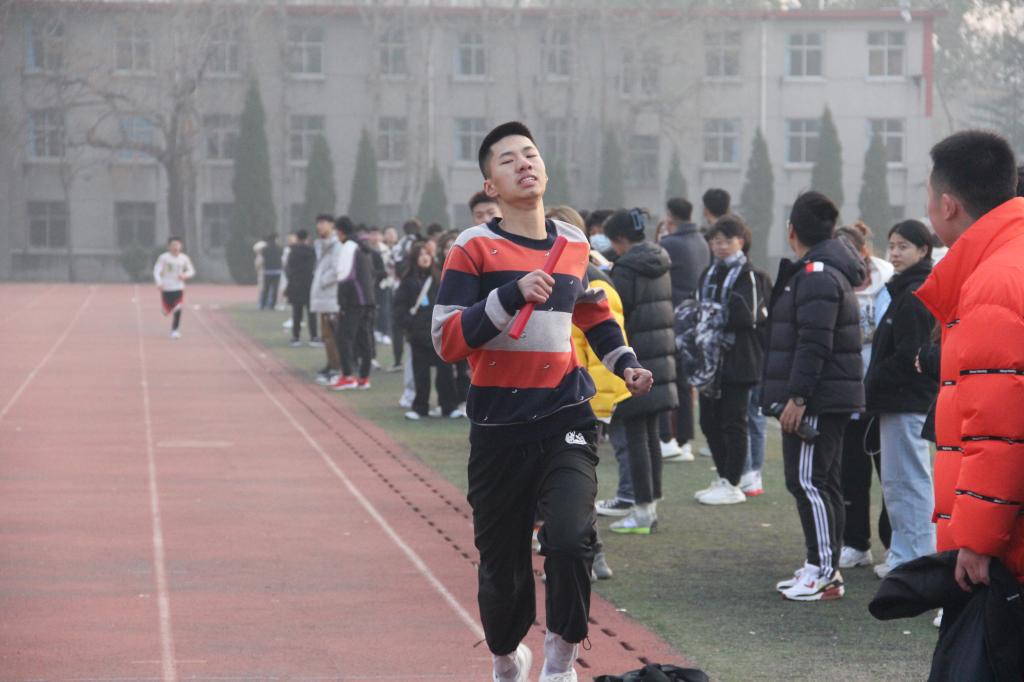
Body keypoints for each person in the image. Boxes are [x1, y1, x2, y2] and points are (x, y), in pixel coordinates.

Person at [432, 122, 651, 682]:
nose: (524, 163)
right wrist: (509, 294)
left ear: (545, 170)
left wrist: (625, 362)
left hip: (564, 416)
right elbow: (446, 339)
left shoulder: (573, 244)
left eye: (530, 154)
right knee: (502, 564)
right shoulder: (471, 247)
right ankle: (508, 656)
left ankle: (559, 663)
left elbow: (592, 312)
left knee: (572, 540)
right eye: (508, 159)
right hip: (498, 427)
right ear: (491, 185)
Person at [914, 130, 1024, 595]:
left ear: (947, 205)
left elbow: (999, 429)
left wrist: (977, 540)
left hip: (1008, 552)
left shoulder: (993, 282)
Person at [762, 191, 866, 602]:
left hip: (818, 398)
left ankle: (824, 572)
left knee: (808, 482)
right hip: (828, 394)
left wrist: (799, 397)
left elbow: (814, 342)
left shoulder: (817, 274)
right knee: (822, 482)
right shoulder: (822, 270)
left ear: (791, 230)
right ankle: (821, 566)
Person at [865, 219, 939, 578]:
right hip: (895, 401)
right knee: (896, 483)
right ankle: (903, 555)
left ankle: (920, 558)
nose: (894, 253)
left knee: (911, 482)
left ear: (923, 250)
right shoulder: (902, 289)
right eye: (891, 245)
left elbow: (911, 355)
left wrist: (872, 380)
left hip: (908, 402)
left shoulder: (915, 293)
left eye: (903, 246)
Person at [603, 208, 679, 534]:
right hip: (660, 359)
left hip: (636, 362)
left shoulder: (626, 269)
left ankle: (642, 510)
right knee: (650, 438)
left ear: (620, 239)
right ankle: (650, 503)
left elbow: (616, 312)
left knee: (636, 438)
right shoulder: (658, 261)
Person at [692, 215, 767, 506]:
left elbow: (746, 316)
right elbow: (697, 308)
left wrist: (712, 313)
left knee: (734, 422)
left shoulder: (750, 275)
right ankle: (724, 477)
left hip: (740, 360)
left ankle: (734, 482)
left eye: (726, 241)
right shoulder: (709, 273)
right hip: (709, 361)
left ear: (741, 241)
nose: (720, 246)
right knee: (708, 421)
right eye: (715, 241)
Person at [834, 222, 893, 573]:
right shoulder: (832, 280)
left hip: (882, 394)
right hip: (847, 393)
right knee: (850, 473)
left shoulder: (887, 280)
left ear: (863, 250)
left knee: (891, 475)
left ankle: (894, 544)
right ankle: (855, 543)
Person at [658, 197, 710, 463]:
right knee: (685, 384)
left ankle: (666, 438)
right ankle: (684, 441)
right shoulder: (702, 242)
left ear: (670, 217)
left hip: (673, 319)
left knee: (666, 380)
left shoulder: (669, 244)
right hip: (695, 320)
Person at [395, 241, 459, 420]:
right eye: (421, 254)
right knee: (421, 375)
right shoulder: (408, 282)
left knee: (445, 373)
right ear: (414, 258)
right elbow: (399, 307)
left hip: (440, 334)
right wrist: (410, 324)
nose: (425, 258)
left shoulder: (440, 278)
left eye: (427, 254)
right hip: (418, 336)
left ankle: (449, 407)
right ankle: (420, 408)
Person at [329, 216, 377, 391]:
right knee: (364, 338)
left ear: (340, 231)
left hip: (353, 300)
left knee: (343, 337)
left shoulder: (348, 246)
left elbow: (343, 275)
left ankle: (348, 376)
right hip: (367, 299)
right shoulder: (363, 246)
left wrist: (342, 302)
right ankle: (363, 377)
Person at [310, 215, 342, 385]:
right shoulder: (320, 245)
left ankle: (337, 368)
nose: (320, 226)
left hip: (332, 296)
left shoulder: (336, 246)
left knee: (333, 335)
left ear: (332, 225)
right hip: (323, 297)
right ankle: (331, 364)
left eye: (323, 223)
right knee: (326, 335)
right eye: (318, 223)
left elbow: (337, 270)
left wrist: (322, 280)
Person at [152, 236, 195, 339]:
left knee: (178, 308)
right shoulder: (164, 258)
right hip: (166, 287)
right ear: (169, 247)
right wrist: (159, 282)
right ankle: (166, 309)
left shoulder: (184, 258)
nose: (175, 247)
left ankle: (175, 330)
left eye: (177, 245)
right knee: (167, 311)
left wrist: (184, 275)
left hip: (179, 287)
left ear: (181, 246)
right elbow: (157, 270)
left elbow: (191, 271)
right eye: (173, 245)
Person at [284, 229, 318, 347]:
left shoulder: (292, 251)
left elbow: (288, 268)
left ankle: (296, 337)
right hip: (309, 284)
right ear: (307, 238)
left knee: (297, 313)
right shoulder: (312, 251)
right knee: (312, 313)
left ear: (297, 238)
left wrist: (290, 281)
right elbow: (315, 267)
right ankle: (314, 336)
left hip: (296, 284)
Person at [260, 234, 283, 310]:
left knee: (266, 289)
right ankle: (272, 305)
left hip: (267, 271)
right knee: (275, 289)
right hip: (277, 271)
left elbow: (263, 258)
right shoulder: (279, 248)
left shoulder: (265, 249)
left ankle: (263, 304)